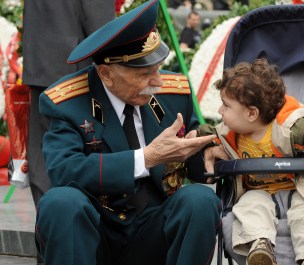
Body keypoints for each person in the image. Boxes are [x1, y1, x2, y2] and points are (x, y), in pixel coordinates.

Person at [34, 1, 221, 264]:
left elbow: (194, 164)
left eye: (158, 68)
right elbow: (64, 171)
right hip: (94, 234)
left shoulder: (173, 94)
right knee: (61, 203)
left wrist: (206, 153)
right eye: (145, 74)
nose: (157, 82)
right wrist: (146, 158)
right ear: (106, 74)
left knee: (199, 200)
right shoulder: (67, 102)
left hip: (155, 230)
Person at [200, 58, 304, 265]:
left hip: (301, 190)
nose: (220, 112)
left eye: (226, 106)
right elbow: (211, 133)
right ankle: (260, 246)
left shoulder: (293, 127)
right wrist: (198, 138)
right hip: (259, 191)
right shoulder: (232, 132)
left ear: (252, 113)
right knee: (250, 206)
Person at [22, 0, 115, 208]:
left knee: (42, 151)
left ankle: (48, 222)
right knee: (80, 150)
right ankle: (65, 225)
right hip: (75, 65)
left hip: (40, 60)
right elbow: (100, 24)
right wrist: (117, 62)